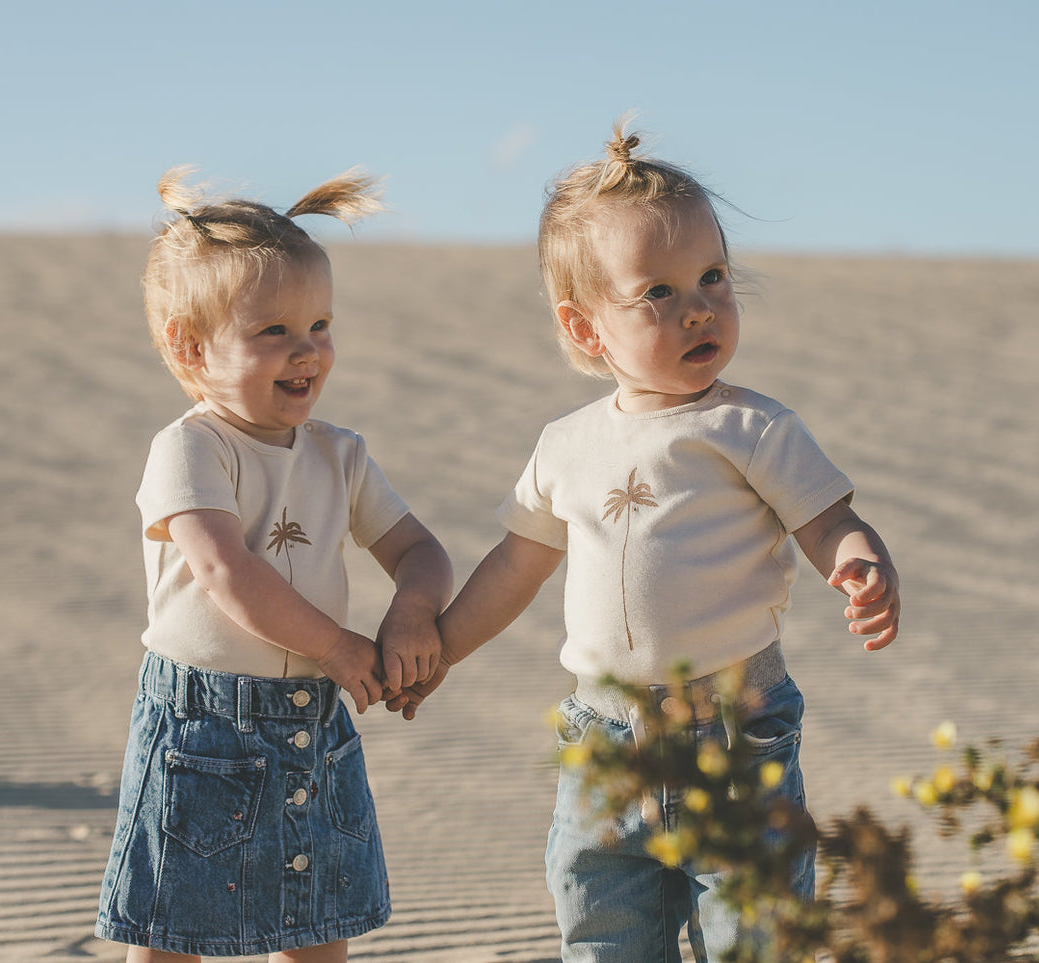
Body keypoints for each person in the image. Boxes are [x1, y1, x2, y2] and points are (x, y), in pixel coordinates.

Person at [387, 121, 901, 960]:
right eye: (656, 292)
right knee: (601, 924)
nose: (698, 305)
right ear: (586, 329)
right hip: (603, 743)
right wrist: (440, 647)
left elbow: (827, 519)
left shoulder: (751, 426)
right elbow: (517, 566)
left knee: (755, 934)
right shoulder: (565, 444)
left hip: (734, 731)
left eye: (712, 276)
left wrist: (858, 561)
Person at [96, 166, 452, 963]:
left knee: (316, 918)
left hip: (312, 723)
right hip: (201, 726)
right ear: (189, 346)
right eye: (273, 333)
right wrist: (334, 643)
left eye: (320, 325)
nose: (308, 352)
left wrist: (412, 610)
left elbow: (418, 548)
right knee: (170, 926)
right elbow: (226, 571)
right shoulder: (191, 448)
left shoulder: (339, 454)